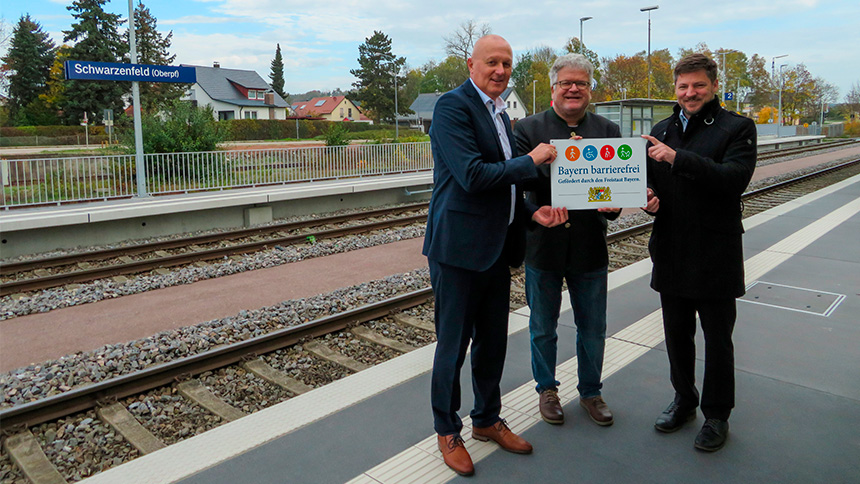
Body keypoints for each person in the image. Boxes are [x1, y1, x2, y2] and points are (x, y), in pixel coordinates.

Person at [423, 34, 568, 476]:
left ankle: (486, 418)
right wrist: (536, 159)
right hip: (458, 250)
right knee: (454, 344)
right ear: (471, 65)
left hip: (497, 248)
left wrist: (531, 213)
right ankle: (447, 429)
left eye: (507, 63)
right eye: (492, 62)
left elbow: (503, 188)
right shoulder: (453, 107)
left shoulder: (501, 114)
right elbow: (471, 176)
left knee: (492, 343)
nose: (500, 71)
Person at [514, 53, 640, 428]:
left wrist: (613, 206)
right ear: (553, 87)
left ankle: (591, 391)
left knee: (593, 326)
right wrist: (534, 212)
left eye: (581, 84)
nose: (573, 89)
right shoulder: (527, 131)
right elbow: (516, 189)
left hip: (589, 246)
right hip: (544, 244)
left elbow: (615, 193)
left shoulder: (608, 131)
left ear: (589, 90)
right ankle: (547, 390)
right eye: (566, 83)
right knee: (542, 326)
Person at [642, 53, 756, 452]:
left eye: (698, 86)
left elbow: (733, 180)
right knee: (676, 336)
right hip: (671, 249)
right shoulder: (661, 128)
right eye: (683, 86)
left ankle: (717, 414)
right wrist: (650, 197)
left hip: (715, 252)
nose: (690, 93)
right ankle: (684, 400)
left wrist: (677, 158)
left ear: (712, 86)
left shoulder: (737, 128)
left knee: (718, 339)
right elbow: (650, 184)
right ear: (675, 88)